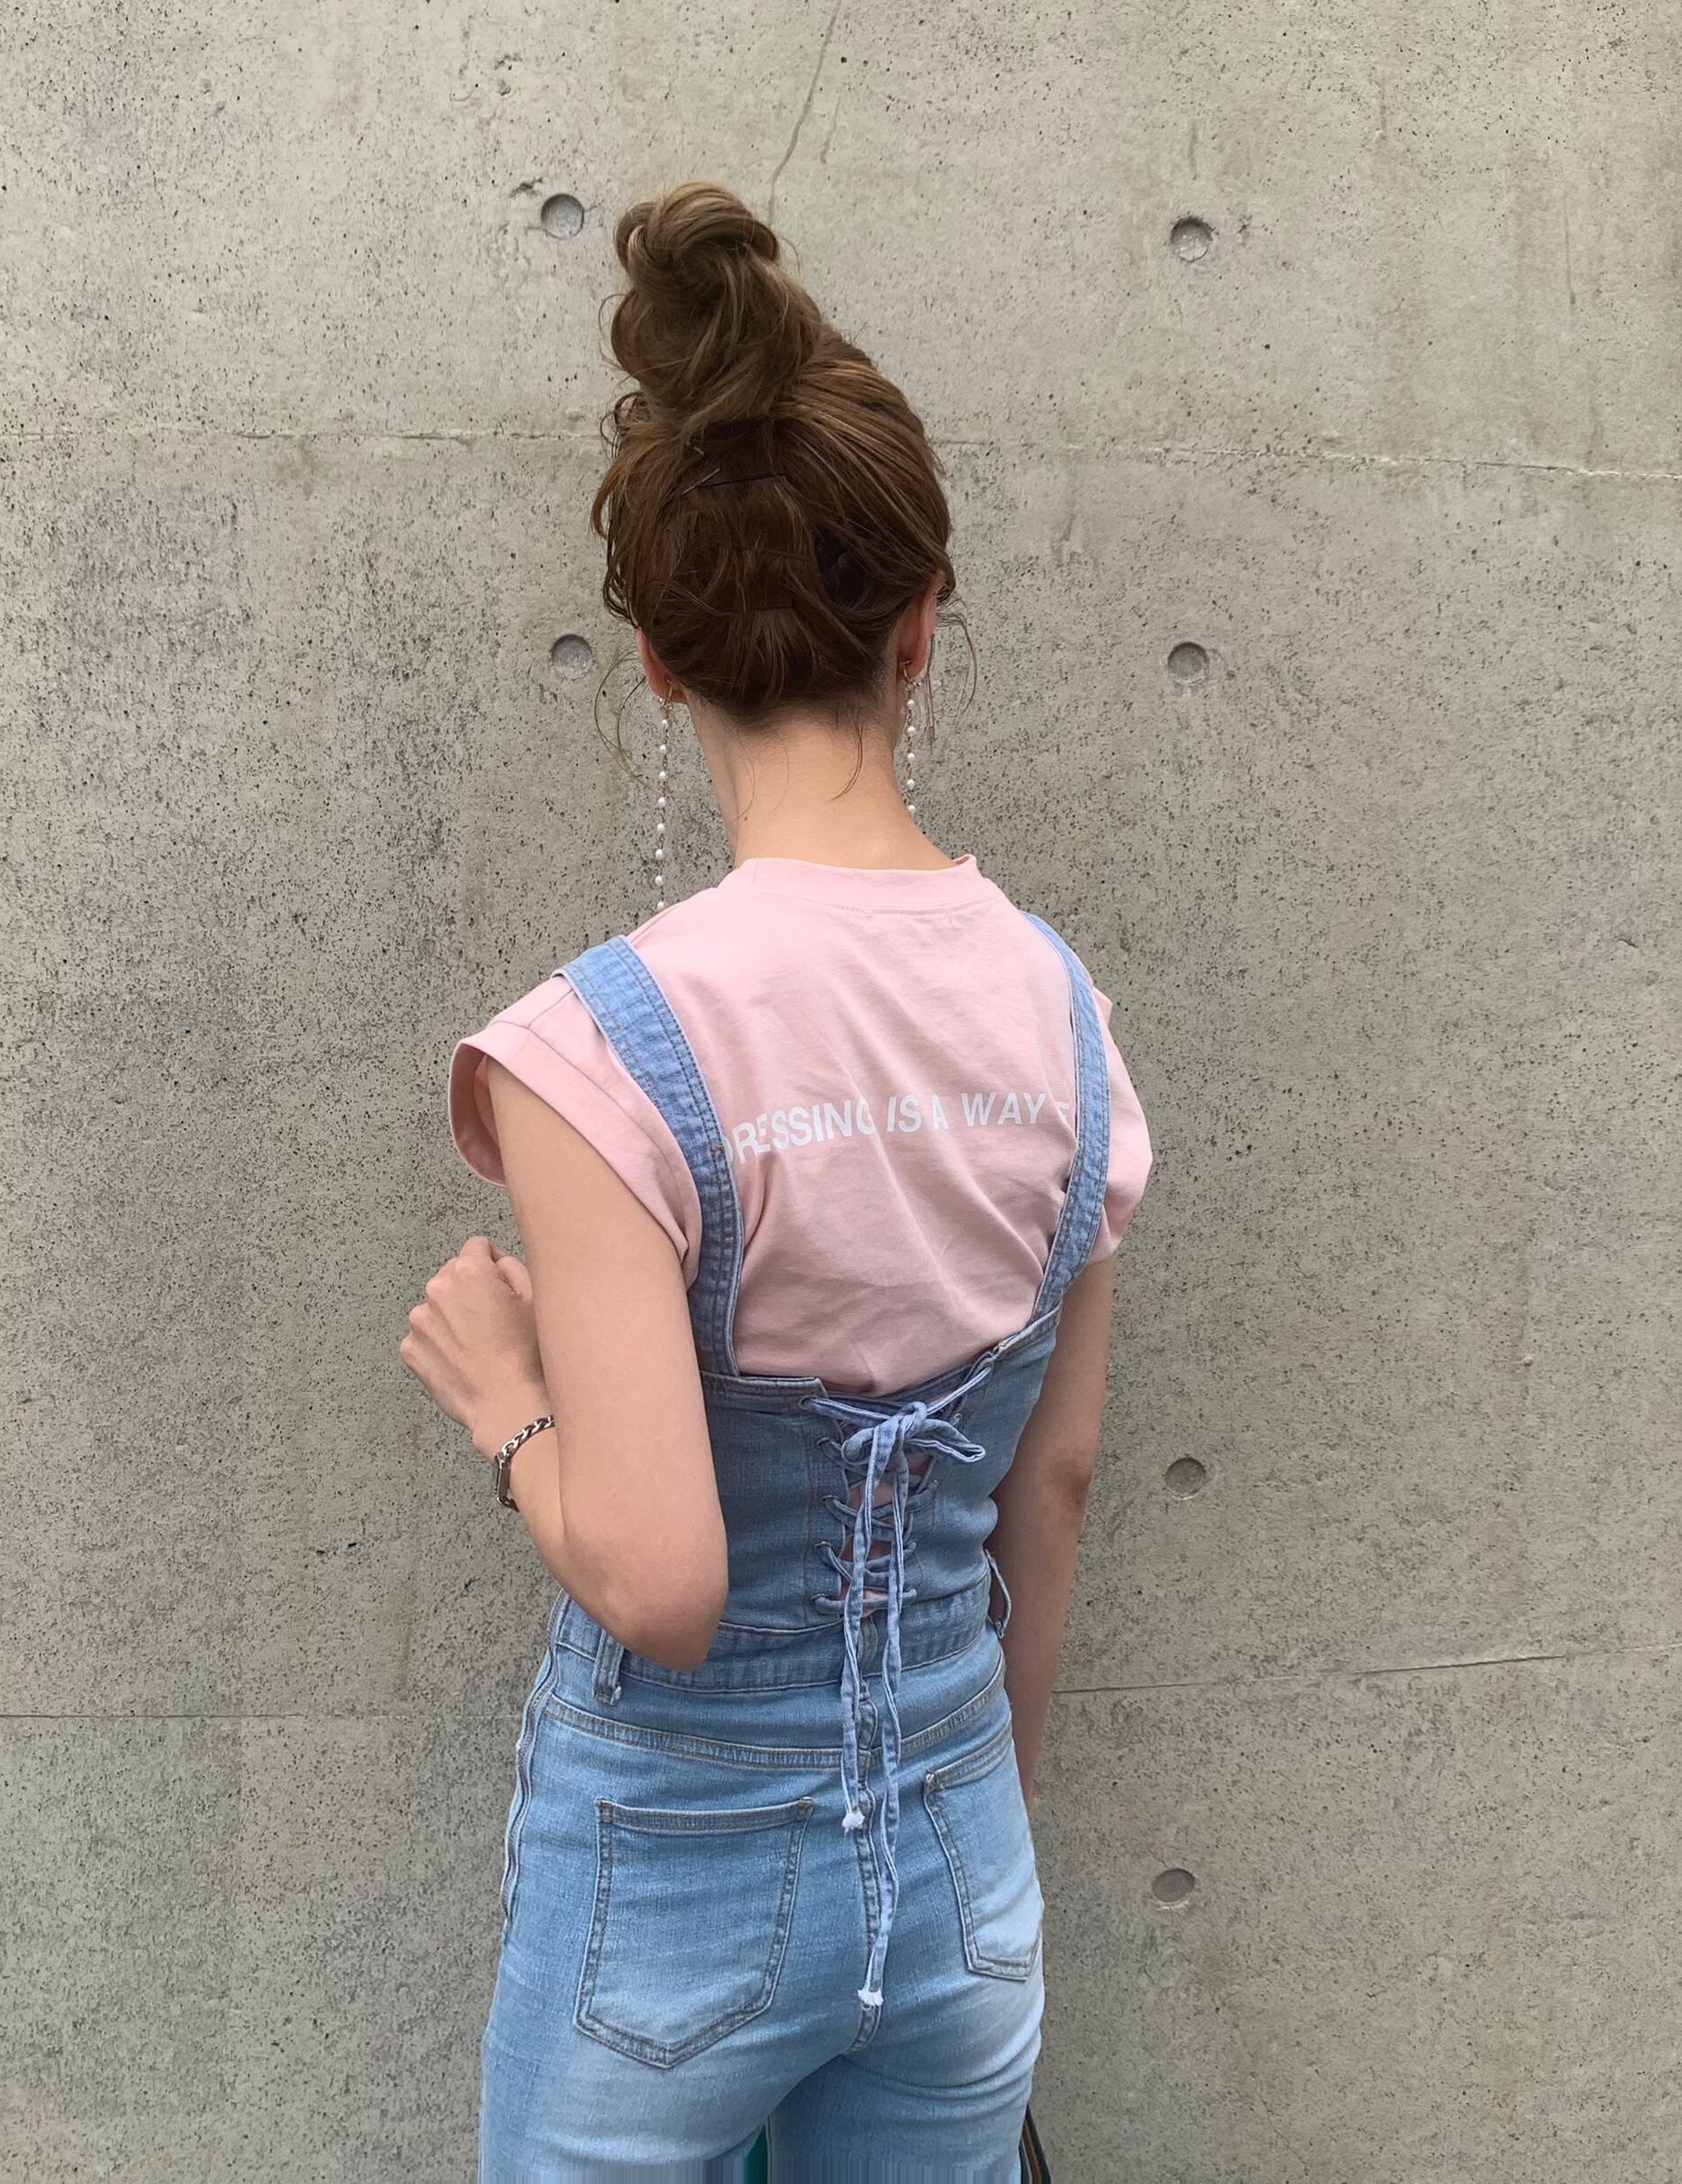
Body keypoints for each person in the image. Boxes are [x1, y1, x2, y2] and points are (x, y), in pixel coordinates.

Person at [399, 180, 1154, 2180]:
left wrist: (509, 1408)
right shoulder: (1062, 1013)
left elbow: (664, 1585)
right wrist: (974, 1815)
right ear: (922, 626)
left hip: (677, 1886)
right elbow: (1057, 1481)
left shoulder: (598, 1052)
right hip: (962, 1858)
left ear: (659, 660)